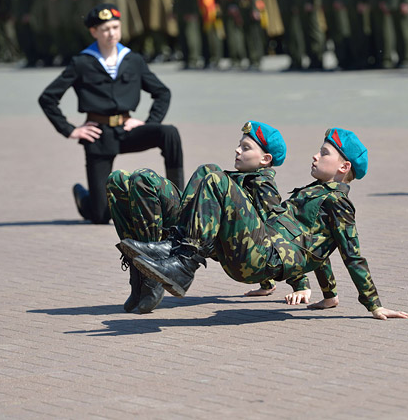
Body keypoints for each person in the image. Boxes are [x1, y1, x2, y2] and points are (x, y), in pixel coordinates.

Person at [123, 128, 408, 320]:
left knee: (213, 176)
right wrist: (330, 296)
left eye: (324, 153)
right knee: (207, 173)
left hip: (264, 258)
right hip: (256, 253)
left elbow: (350, 253)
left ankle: (183, 264)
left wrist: (373, 303)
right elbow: (319, 249)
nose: (315, 155)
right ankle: (172, 253)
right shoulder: (313, 193)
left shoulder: (338, 202)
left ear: (343, 167)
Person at [107, 121, 318, 313]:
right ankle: (142, 273)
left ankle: (160, 274)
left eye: (246, 148)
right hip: (189, 229)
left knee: (211, 173)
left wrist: (299, 283)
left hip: (215, 239)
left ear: (265, 159)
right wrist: (267, 285)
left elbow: (272, 234)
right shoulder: (226, 176)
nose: (237, 150)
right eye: (239, 145)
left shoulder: (263, 187)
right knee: (126, 180)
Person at [38, 3, 184, 225]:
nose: (111, 33)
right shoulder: (82, 62)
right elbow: (48, 97)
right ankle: (85, 198)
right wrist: (70, 130)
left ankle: (177, 201)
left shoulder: (133, 60)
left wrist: (148, 122)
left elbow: (162, 92)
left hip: (128, 130)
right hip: (99, 135)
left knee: (169, 133)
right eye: (105, 29)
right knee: (100, 216)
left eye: (115, 27)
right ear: (94, 32)